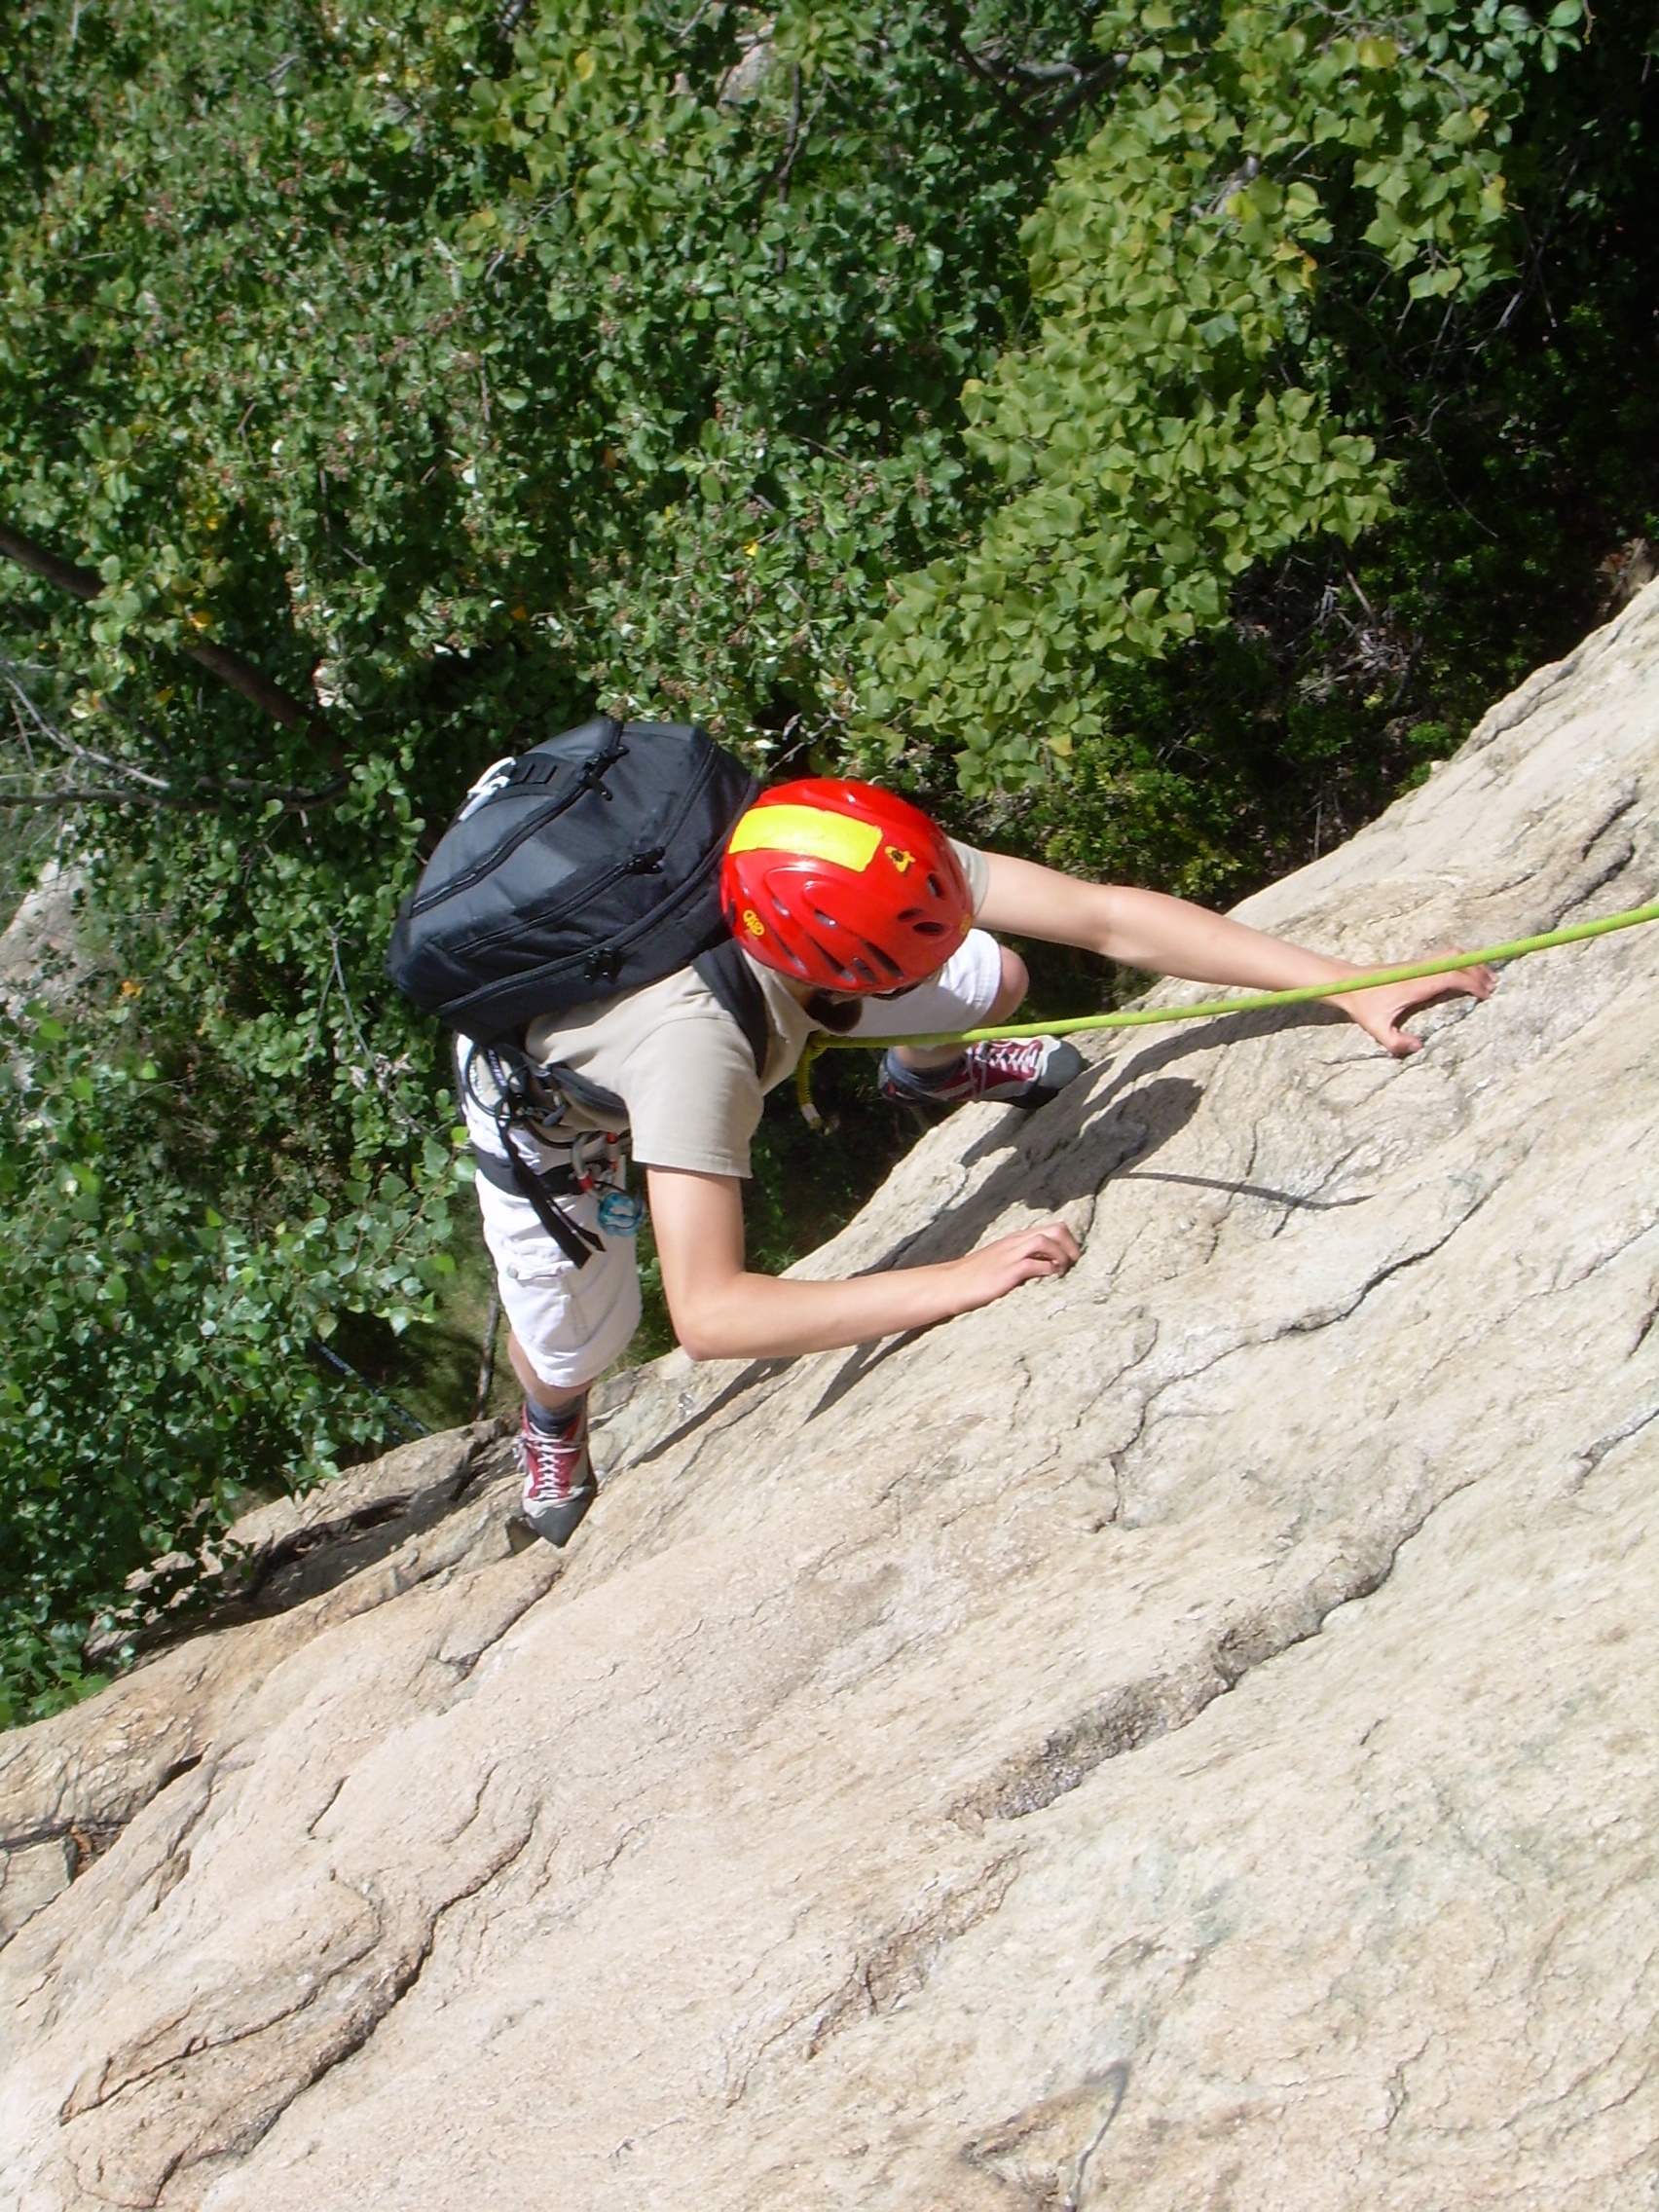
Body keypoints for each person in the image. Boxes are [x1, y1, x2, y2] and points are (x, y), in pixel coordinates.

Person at [459, 778, 1493, 1544]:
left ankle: (929, 1075)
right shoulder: (696, 1052)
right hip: (566, 1109)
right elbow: (714, 1314)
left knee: (992, 972)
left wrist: (1350, 982)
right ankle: (551, 1415)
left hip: (767, 970)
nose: (942, 931)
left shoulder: (844, 854)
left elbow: (1102, 914)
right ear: (828, 971)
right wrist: (957, 1279)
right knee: (579, 1335)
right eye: (915, 942)